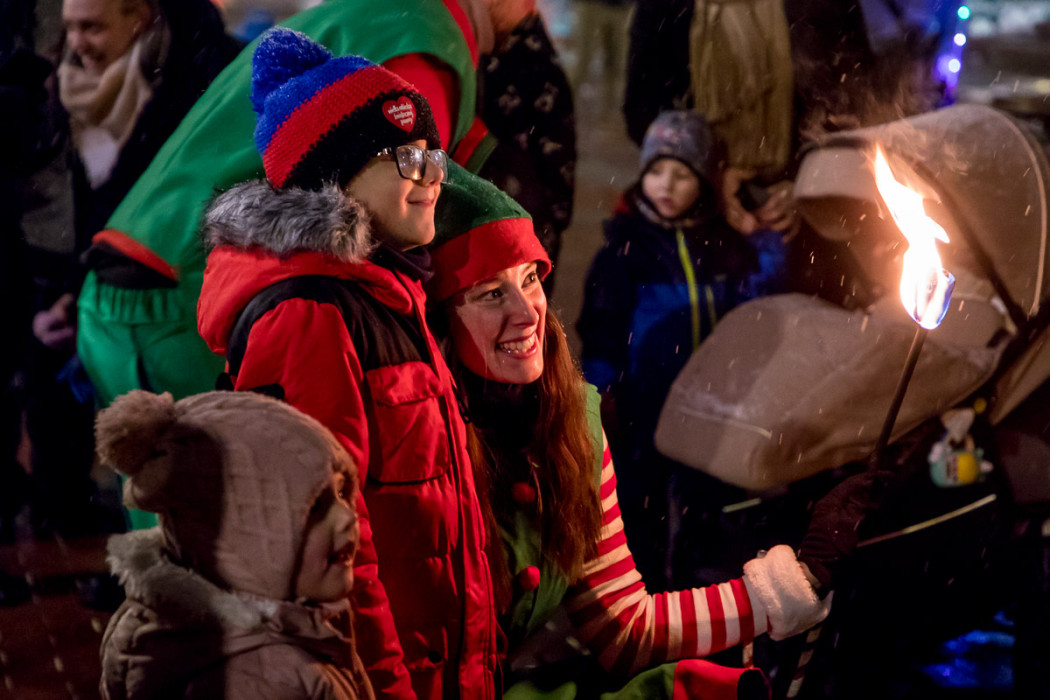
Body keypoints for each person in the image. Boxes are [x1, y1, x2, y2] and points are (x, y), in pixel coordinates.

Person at [425, 165, 873, 698]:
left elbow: (624, 630)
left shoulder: (572, 423)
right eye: (490, 293)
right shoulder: (423, 437)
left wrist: (788, 586)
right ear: (440, 318)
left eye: (530, 280)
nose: (527, 314)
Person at [75, 0, 569, 410]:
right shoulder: (425, 45)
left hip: (135, 275)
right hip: (174, 304)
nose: (532, 9)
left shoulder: (381, 13)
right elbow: (401, 220)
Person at [195, 29, 496, 699]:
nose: (434, 176)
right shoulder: (311, 313)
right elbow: (328, 550)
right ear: (332, 178)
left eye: (433, 154)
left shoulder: (389, 290)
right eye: (407, 157)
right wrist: (383, 686)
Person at [24, 0, 241, 538]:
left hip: (161, 292)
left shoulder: (194, 79)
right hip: (74, 277)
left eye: (93, 27)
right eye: (71, 26)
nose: (77, 42)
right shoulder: (57, 85)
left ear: (139, 17)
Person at [576, 111, 774, 586]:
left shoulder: (723, 245)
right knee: (641, 508)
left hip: (710, 406)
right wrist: (601, 394)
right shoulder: (624, 251)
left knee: (705, 506)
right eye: (656, 170)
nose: (666, 184)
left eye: (682, 174)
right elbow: (601, 329)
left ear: (703, 182)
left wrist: (764, 240)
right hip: (644, 408)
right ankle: (643, 594)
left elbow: (757, 299)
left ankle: (695, 589)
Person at [96, 389, 374, 700]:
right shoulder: (271, 682)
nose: (348, 517)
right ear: (239, 544)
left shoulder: (161, 626)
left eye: (341, 492)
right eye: (315, 507)